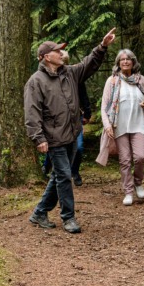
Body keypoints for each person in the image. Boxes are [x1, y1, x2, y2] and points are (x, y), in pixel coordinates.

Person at [24, 28, 116, 234]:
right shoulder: (36, 81)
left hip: (72, 133)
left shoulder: (70, 73)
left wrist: (102, 46)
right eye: (58, 51)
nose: (61, 53)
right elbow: (32, 112)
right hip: (53, 136)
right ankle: (68, 217)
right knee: (64, 175)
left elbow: (88, 64)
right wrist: (38, 137)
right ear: (47, 57)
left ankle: (40, 212)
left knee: (59, 175)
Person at [96, 48, 144, 206]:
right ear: (118, 63)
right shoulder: (113, 81)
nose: (125, 61)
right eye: (122, 59)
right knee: (125, 160)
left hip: (139, 124)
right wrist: (107, 124)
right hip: (119, 126)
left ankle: (138, 182)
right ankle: (128, 191)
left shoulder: (141, 80)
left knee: (140, 157)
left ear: (133, 62)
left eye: (128, 59)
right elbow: (104, 106)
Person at [40, 49, 91, 185]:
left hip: (75, 119)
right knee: (56, 146)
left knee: (78, 147)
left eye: (66, 61)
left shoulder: (75, 75)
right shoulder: (45, 79)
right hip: (57, 122)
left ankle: (74, 171)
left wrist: (87, 113)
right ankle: (49, 168)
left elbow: (83, 96)